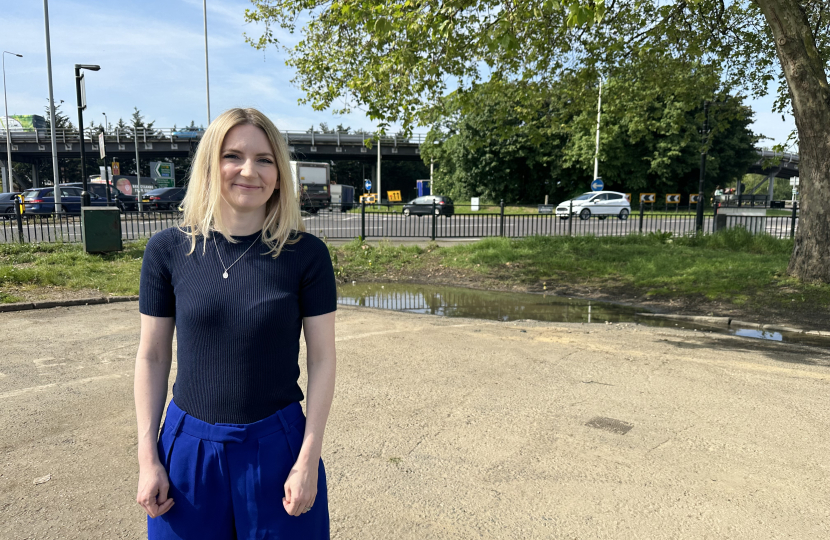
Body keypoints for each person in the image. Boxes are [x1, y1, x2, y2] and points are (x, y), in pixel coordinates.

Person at [134, 108, 337, 539]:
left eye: (265, 159)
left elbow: (322, 360)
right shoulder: (168, 250)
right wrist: (148, 458)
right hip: (187, 450)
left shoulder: (307, 255)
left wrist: (307, 459)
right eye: (233, 156)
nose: (250, 171)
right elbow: (152, 357)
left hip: (278, 447)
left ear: (280, 174)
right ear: (211, 164)